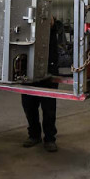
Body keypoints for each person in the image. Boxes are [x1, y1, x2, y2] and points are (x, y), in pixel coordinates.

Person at [21, 16, 59, 152]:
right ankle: (34, 135)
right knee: (29, 107)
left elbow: (54, 27)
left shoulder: (51, 29)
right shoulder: (25, 30)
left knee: (49, 109)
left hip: (48, 73)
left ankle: (49, 139)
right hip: (28, 75)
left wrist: (52, 24)